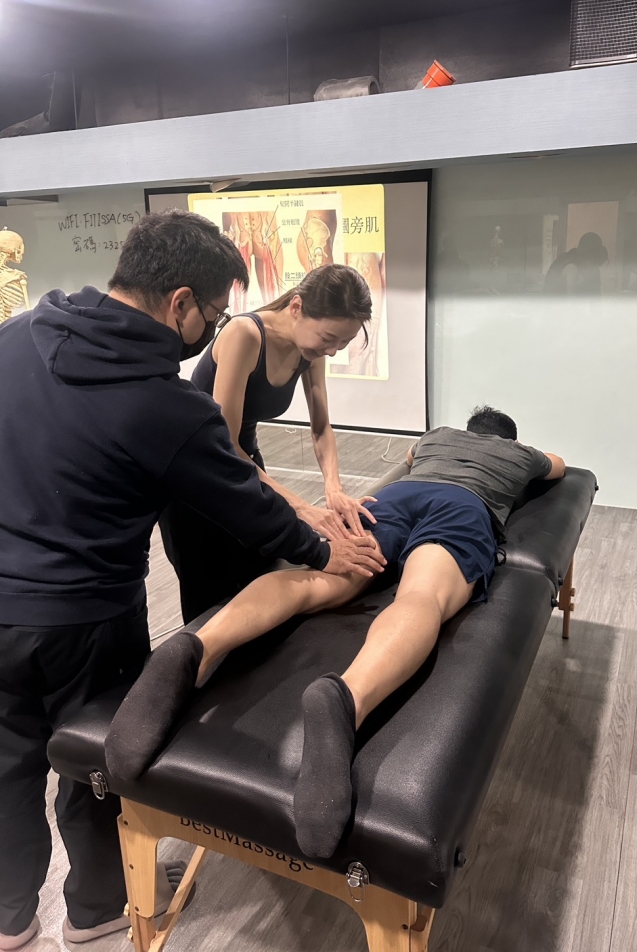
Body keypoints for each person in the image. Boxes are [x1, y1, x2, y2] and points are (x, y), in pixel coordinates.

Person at [0, 211, 385, 950]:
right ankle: (96, 907)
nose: (212, 328)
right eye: (210, 313)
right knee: (93, 764)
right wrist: (323, 552)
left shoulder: (16, 337)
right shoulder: (165, 404)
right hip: (86, 618)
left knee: (6, 762)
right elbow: (245, 503)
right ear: (180, 302)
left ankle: (8, 916)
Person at [105, 406, 565, 860]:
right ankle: (348, 700)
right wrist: (521, 457)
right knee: (422, 596)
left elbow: (410, 457)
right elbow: (558, 467)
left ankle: (199, 646)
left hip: (395, 499)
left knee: (319, 581)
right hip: (462, 507)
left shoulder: (436, 436)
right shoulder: (519, 454)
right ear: (508, 439)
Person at [160, 263, 379, 623]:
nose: (334, 351)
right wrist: (301, 508)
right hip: (196, 473)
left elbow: (320, 427)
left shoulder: (310, 351)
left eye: (344, 342)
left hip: (243, 460)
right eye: (329, 339)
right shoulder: (244, 334)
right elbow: (225, 443)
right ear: (297, 307)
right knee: (210, 597)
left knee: (262, 574)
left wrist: (334, 489)